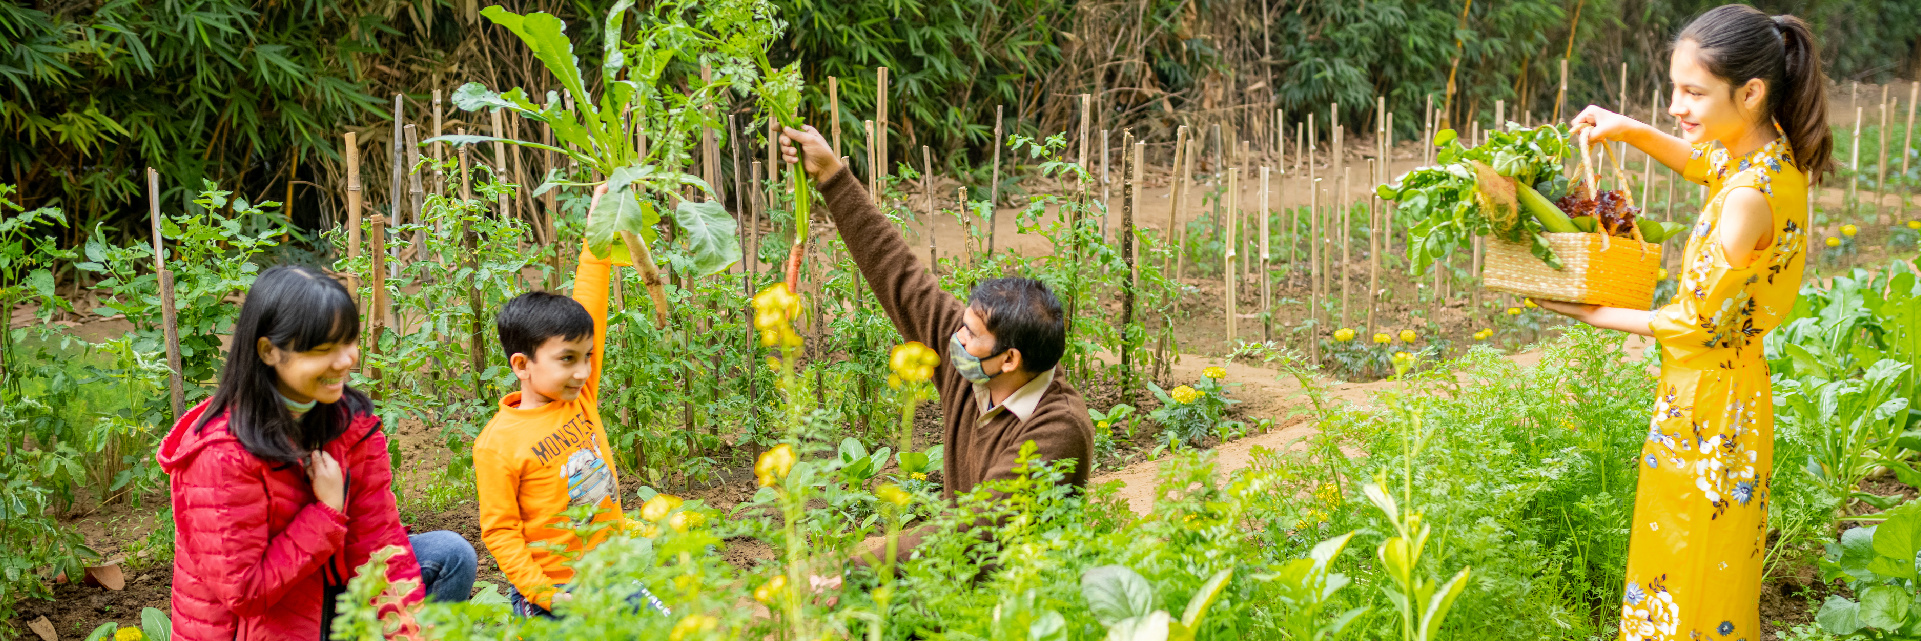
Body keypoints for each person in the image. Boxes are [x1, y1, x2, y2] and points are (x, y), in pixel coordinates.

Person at [1540, 6, 1829, 639]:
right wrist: (1628, 129)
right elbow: (1705, 166)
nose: (1677, 105)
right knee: (1713, 562)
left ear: (1750, 92)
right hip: (1733, 393)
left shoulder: (1748, 198)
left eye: (1693, 92)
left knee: (1685, 556)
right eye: (1675, 89)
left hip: (1710, 402)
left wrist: (1590, 312)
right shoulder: (1769, 158)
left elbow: (1694, 320)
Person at [778, 124, 1096, 562]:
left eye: (969, 333)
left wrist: (854, 567)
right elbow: (900, 276)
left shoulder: (1058, 430)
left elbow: (974, 531)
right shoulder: (977, 372)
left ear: (1009, 359)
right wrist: (832, 174)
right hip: (953, 575)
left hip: (1013, 599)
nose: (955, 339)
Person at [161, 264, 477, 640]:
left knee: (451, 555)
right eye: (324, 350)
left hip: (325, 591)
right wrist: (326, 514)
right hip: (258, 623)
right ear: (268, 351)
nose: (346, 361)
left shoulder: (349, 422)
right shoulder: (222, 454)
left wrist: (407, 632)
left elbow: (378, 541)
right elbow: (245, 593)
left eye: (348, 342)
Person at [474, 185, 649, 618]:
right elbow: (500, 532)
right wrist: (545, 594)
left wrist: (597, 236)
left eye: (587, 357)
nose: (584, 371)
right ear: (522, 364)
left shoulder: (579, 396)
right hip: (557, 592)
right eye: (567, 359)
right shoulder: (497, 445)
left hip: (613, 573)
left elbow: (592, 301)